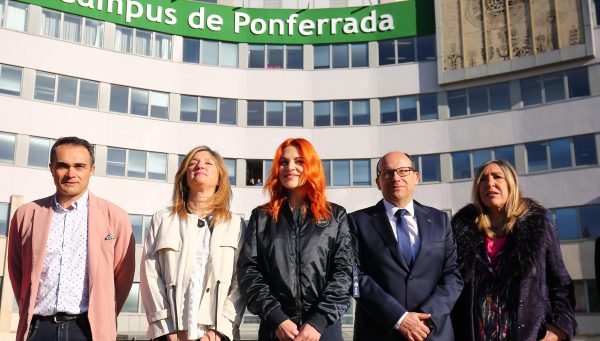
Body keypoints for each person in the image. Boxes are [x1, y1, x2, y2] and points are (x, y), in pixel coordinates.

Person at [8, 136, 135, 341]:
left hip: (88, 330)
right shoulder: (26, 215)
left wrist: (103, 317)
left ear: (92, 169)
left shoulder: (115, 217)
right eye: (63, 166)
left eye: (79, 166)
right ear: (51, 168)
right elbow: (17, 272)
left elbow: (122, 276)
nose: (71, 173)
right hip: (38, 329)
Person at [237, 138, 352, 341]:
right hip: (277, 330)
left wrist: (318, 321)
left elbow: (344, 272)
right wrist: (277, 318)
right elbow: (249, 272)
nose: (290, 167)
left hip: (324, 330)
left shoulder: (335, 216)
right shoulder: (261, 217)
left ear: (312, 166)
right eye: (283, 162)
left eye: (299, 161)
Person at [451, 160, 577, 341]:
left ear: (511, 183)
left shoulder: (539, 225)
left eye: (497, 177)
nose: (490, 183)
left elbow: (560, 283)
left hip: (530, 334)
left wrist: (558, 330)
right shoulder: (461, 229)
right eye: (483, 179)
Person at [350, 151, 463, 341]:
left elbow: (453, 274)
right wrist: (399, 318)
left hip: (432, 332)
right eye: (387, 173)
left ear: (416, 177)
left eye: (403, 171)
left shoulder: (440, 220)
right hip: (379, 332)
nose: (395, 177)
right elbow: (353, 276)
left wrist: (427, 319)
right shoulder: (356, 222)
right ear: (378, 182)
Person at [140, 145, 246, 341]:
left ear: (220, 177)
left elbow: (241, 281)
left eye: (208, 163)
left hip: (216, 336)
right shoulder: (163, 219)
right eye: (193, 163)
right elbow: (150, 275)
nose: (200, 166)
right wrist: (167, 330)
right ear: (184, 176)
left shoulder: (236, 224)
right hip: (171, 335)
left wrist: (219, 331)